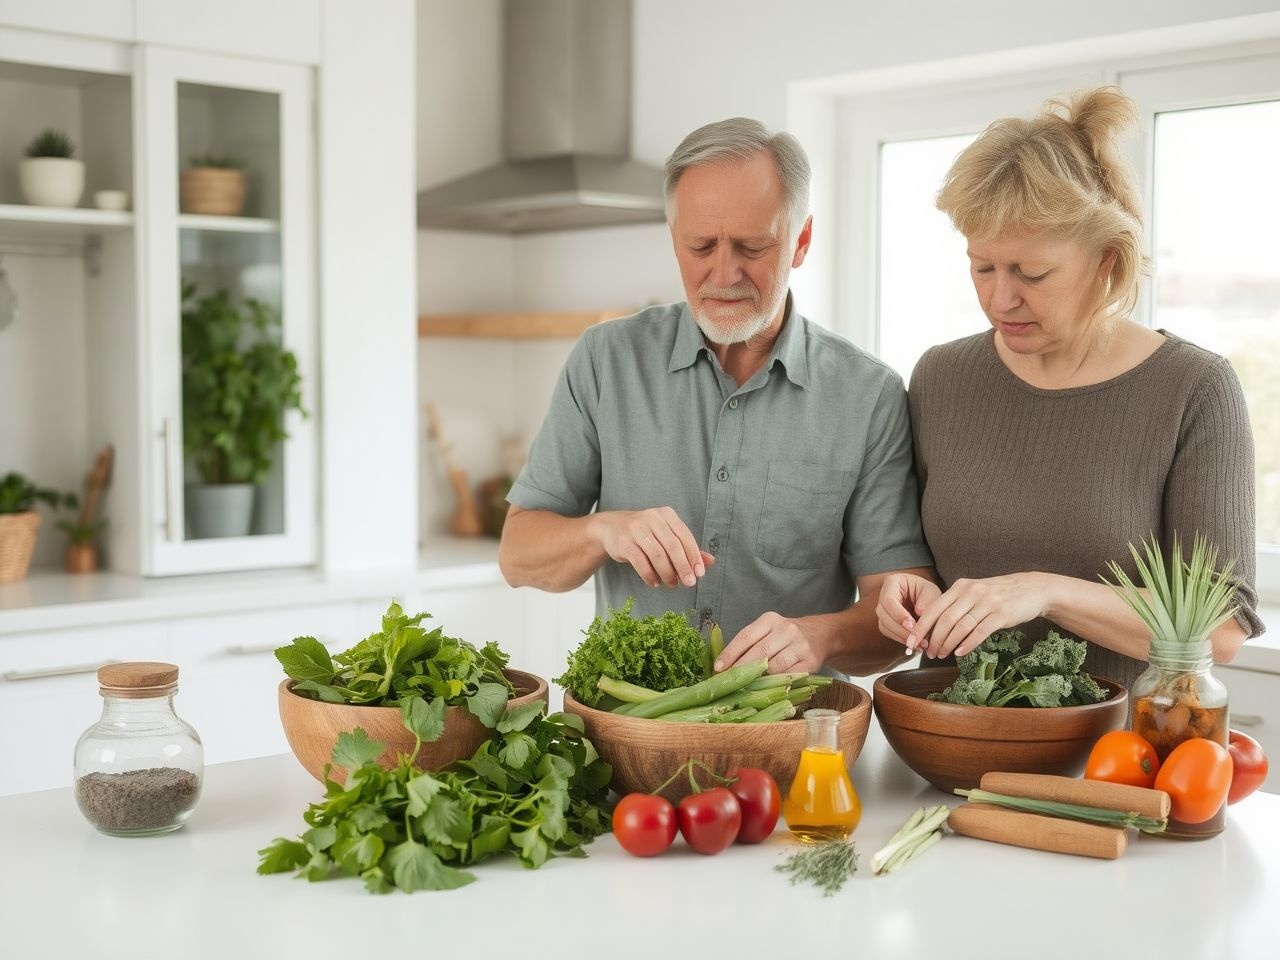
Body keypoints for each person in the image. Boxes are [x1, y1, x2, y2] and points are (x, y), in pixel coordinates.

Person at [499, 117, 934, 676]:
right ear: (673, 236)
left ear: (801, 241)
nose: (724, 274)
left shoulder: (868, 395)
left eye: (752, 246)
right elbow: (517, 554)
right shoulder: (606, 361)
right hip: (625, 724)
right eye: (701, 246)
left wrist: (820, 637)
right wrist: (603, 530)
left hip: (789, 725)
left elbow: (903, 612)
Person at [875, 87, 1264, 688]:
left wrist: (1045, 592)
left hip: (1120, 742)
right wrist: (906, 590)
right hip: (947, 734)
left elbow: (1222, 629)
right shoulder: (941, 377)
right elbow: (926, 565)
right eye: (982, 267)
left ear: (1107, 260)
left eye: (1032, 273)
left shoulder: (1193, 389)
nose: (1000, 299)